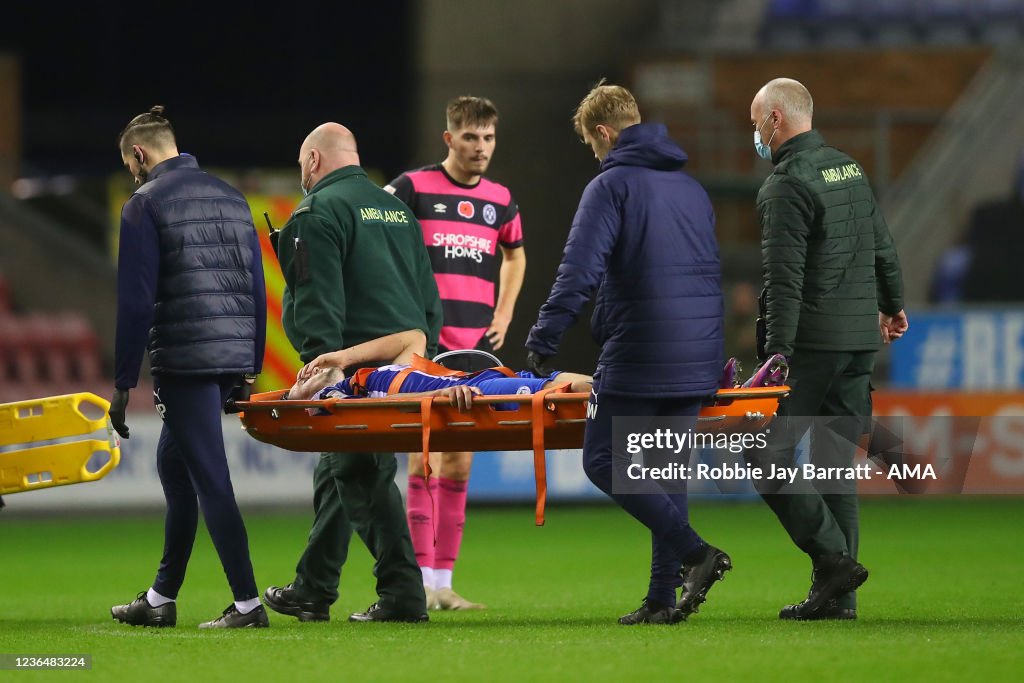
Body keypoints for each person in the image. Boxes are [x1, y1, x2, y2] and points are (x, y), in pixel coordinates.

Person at [524, 82, 730, 625]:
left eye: (593, 147)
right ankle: (663, 600)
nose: (595, 157)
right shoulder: (690, 189)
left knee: (601, 459)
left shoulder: (610, 186)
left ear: (603, 133)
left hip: (642, 351)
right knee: (665, 474)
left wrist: (544, 338)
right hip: (697, 353)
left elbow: (579, 272)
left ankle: (696, 554)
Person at [263, 122, 443, 624]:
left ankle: (404, 595)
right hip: (406, 366)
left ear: (315, 160)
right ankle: (313, 589)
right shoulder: (399, 211)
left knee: (359, 475)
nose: (303, 174)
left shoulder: (317, 210)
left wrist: (324, 367)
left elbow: (316, 299)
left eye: (303, 164)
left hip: (352, 372)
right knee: (339, 472)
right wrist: (420, 362)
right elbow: (428, 298)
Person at [746, 78, 907, 620]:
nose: (755, 136)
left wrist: (776, 355)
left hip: (810, 346)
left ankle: (834, 563)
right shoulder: (850, 168)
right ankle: (841, 601)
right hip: (859, 341)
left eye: (755, 124)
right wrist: (893, 303)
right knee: (834, 468)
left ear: (775, 121)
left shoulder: (785, 186)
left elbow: (784, 279)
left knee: (763, 455)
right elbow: (882, 242)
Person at [107, 106, 269, 629]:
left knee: (210, 480)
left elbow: (135, 303)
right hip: (228, 355)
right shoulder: (232, 196)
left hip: (186, 359)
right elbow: (257, 287)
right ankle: (160, 600)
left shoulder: (143, 204)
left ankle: (247, 605)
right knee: (175, 469)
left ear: (138, 154)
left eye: (130, 163)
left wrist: (123, 381)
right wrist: (250, 366)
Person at [385, 96, 526, 610]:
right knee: (423, 459)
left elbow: (516, 252)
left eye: (488, 137)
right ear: (449, 139)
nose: (481, 147)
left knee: (460, 465)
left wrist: (505, 311)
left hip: (475, 352)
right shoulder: (411, 188)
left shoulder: (500, 199)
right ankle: (421, 577)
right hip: (427, 349)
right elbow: (376, 238)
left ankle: (443, 585)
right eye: (470, 137)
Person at [284, 330, 593, 403]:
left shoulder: (371, 377)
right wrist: (439, 397)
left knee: (561, 381)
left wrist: (344, 357)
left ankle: (634, 399)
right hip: (473, 393)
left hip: (482, 379)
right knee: (558, 390)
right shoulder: (334, 399)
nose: (304, 373)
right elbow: (385, 410)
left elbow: (413, 338)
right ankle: (636, 415)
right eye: (298, 385)